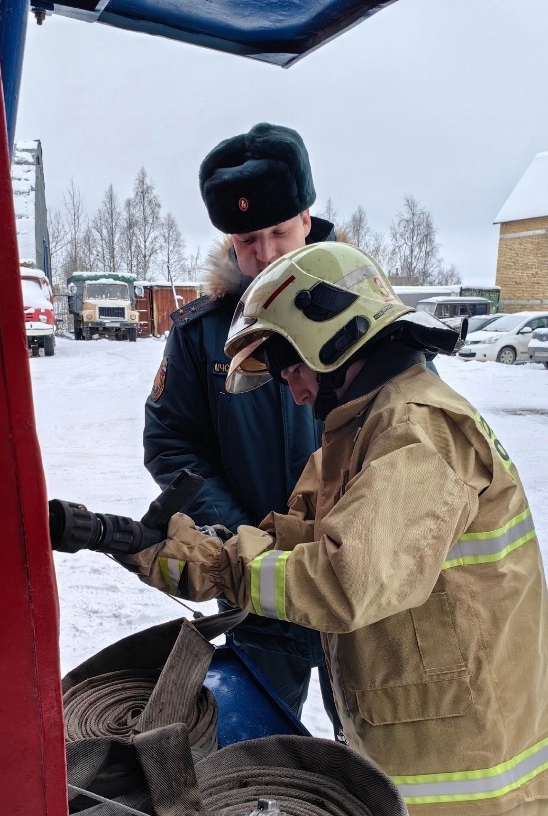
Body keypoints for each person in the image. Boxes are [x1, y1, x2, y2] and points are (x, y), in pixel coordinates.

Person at [123, 242, 548, 816]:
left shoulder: (419, 432)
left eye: (292, 367)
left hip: (478, 772)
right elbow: (312, 539)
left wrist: (233, 567)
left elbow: (350, 577)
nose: (294, 392)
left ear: (337, 341)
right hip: (427, 751)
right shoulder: (362, 428)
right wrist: (206, 555)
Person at [143, 122, 339, 728]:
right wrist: (244, 536)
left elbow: (406, 435)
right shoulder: (201, 333)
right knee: (258, 747)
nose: (268, 253)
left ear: (307, 218)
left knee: (376, 759)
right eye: (250, 239)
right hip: (255, 586)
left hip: (352, 582)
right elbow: (172, 443)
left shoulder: (365, 314)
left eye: (281, 232)